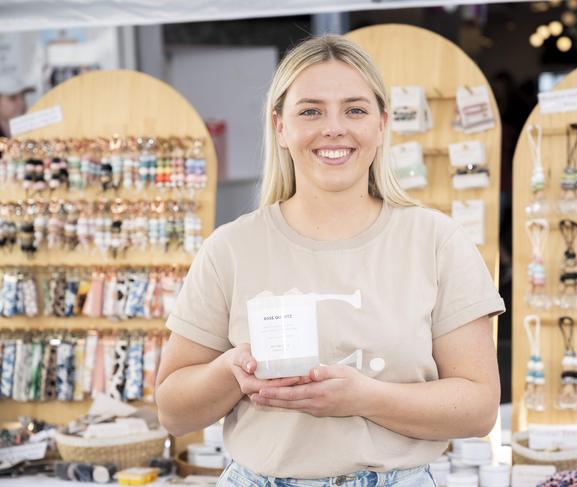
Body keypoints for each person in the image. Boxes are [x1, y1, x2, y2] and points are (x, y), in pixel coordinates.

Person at [156, 35, 505, 486]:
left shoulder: (437, 241)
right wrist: (230, 373)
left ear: (381, 124)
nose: (334, 128)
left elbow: (479, 409)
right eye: (311, 111)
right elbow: (172, 411)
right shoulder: (230, 249)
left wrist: (365, 397)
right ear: (280, 127)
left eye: (355, 110)